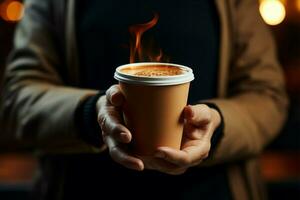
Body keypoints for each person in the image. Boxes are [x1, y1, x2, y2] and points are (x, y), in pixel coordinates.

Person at [0, 0, 288, 199]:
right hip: (80, 190)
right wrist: (94, 114)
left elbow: (268, 96)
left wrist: (217, 124)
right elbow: (16, 99)